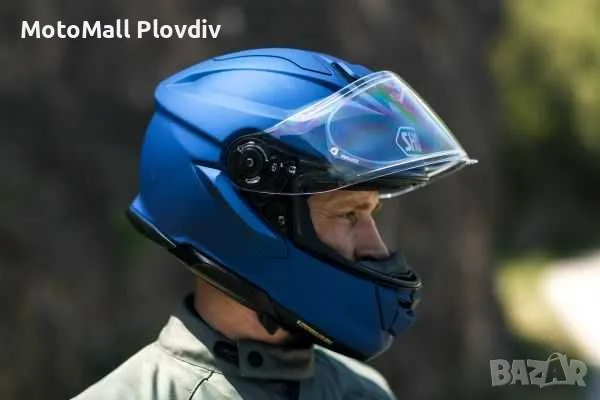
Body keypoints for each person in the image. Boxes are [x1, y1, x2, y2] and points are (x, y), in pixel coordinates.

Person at [73, 47, 475, 399]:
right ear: (250, 213)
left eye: (371, 213)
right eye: (348, 213)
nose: (377, 247)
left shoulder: (363, 392)